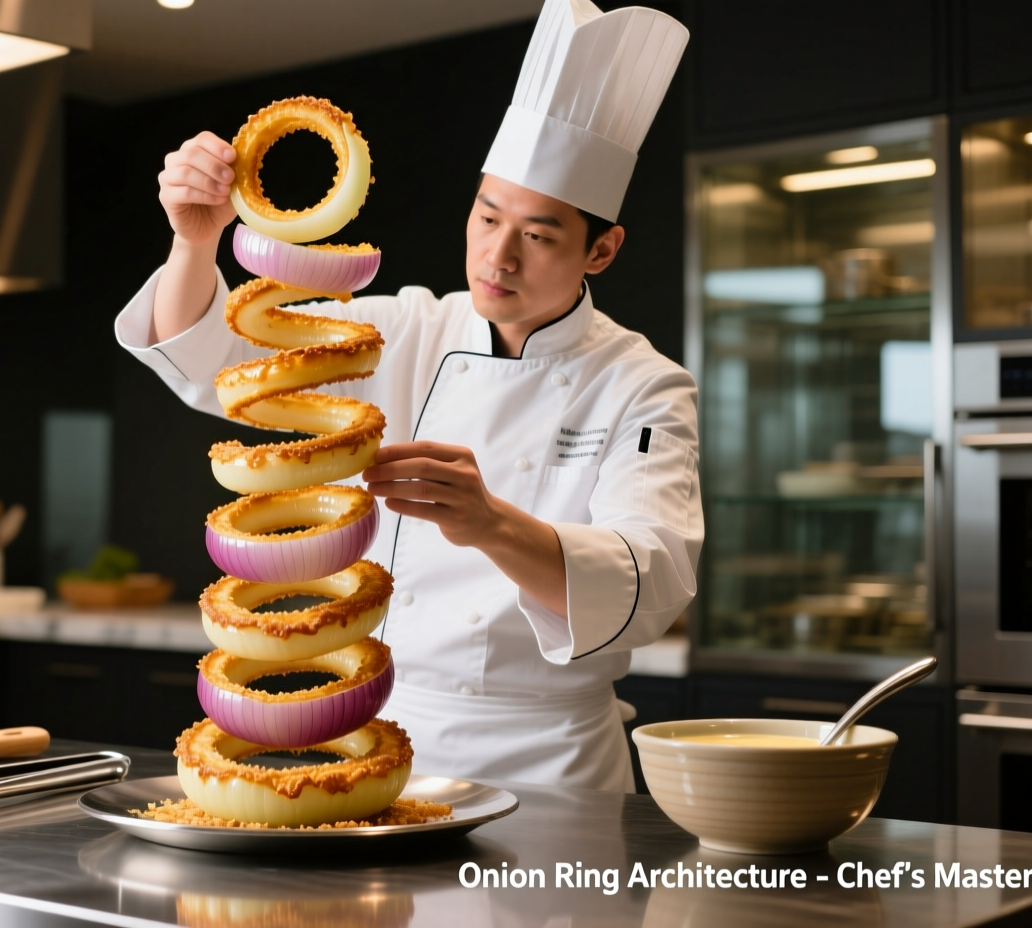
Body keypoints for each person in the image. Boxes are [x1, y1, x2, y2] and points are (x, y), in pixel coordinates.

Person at [115, 0, 699, 791]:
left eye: (539, 234)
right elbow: (218, 359)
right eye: (486, 215)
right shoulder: (403, 329)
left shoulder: (642, 384)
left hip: (548, 765)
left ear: (602, 248)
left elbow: (651, 579)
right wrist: (194, 239)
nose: (497, 255)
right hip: (382, 741)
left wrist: (490, 523)